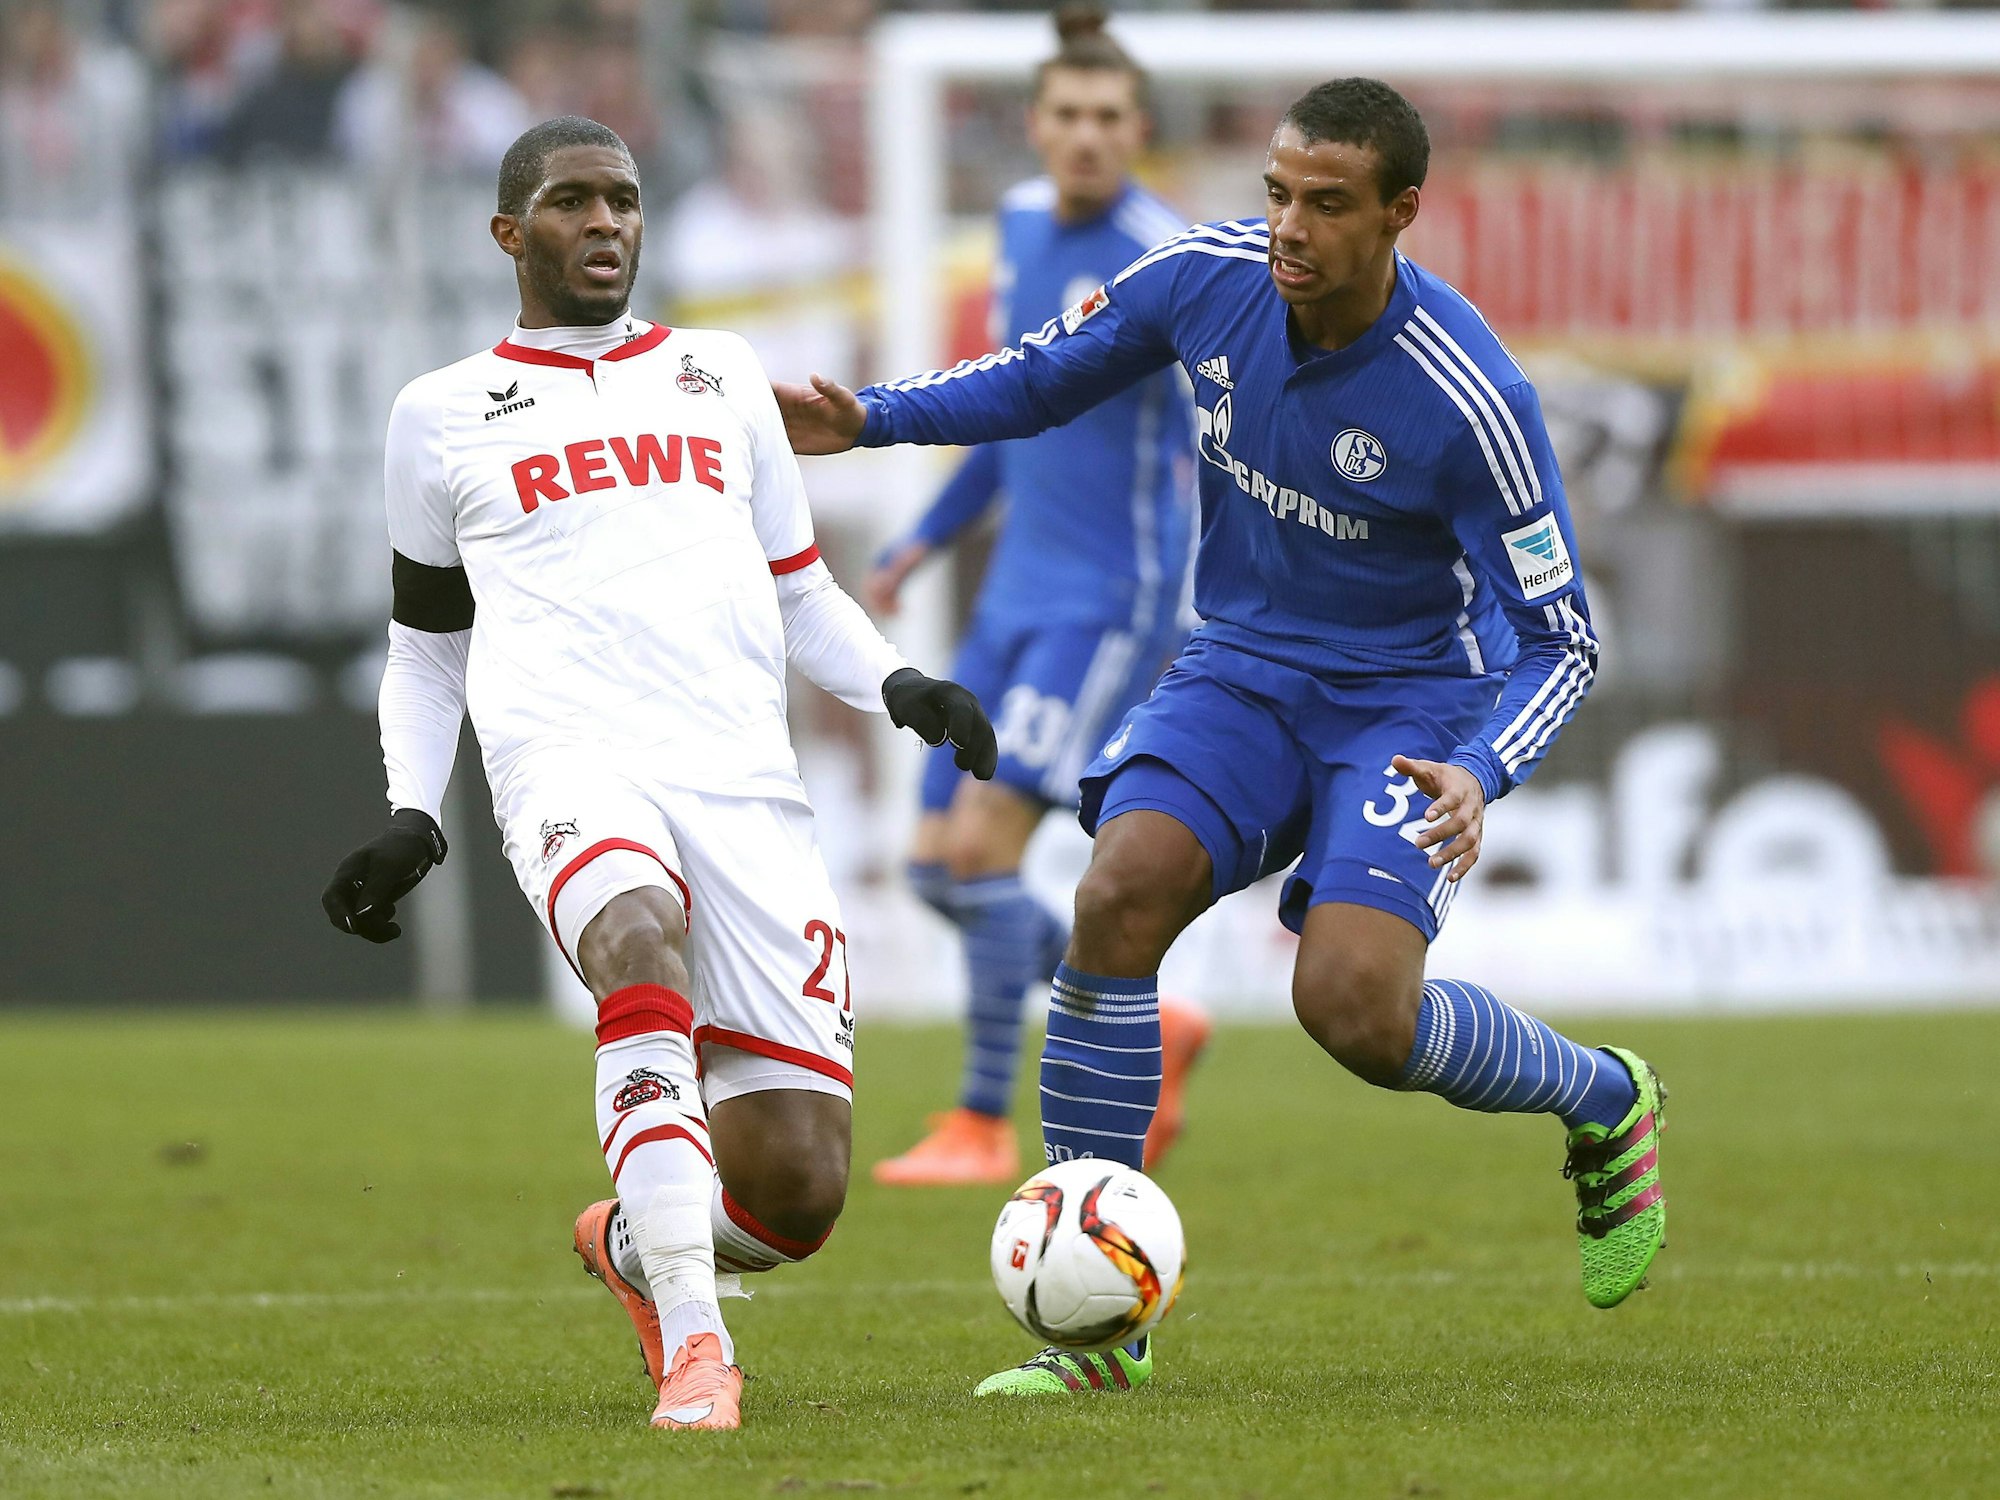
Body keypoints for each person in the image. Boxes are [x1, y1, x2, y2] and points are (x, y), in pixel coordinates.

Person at [777, 77, 1668, 1399]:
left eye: (1326, 203)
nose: (1289, 227)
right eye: (1277, 192)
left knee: (1354, 1009)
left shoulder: (1469, 397)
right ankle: (1098, 1336)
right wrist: (875, 418)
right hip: (1241, 672)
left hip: (1405, 706)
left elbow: (1563, 640)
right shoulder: (1204, 277)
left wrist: (1480, 771)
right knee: (1117, 897)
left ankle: (1604, 1098)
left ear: (1400, 213)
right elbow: (1040, 378)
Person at [321, 115, 997, 1432]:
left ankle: (638, 1246)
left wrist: (899, 683)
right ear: (511, 233)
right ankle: (699, 1347)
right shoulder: (440, 415)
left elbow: (800, 591)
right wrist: (413, 806)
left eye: (622, 201)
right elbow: (425, 647)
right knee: (639, 937)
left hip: (743, 778)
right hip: (566, 760)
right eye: (573, 203)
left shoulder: (720, 374)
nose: (606, 224)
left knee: (798, 1192)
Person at [866, 6, 1207, 1190]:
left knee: (978, 849)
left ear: (1138, 131)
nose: (1083, 137)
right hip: (1012, 590)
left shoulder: (1162, 259)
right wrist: (921, 536)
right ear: (1032, 124)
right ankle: (1149, 1029)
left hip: (1109, 599)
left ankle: (980, 1121)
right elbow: (1019, 404)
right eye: (1064, 115)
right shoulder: (1017, 226)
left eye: (1106, 118)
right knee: (924, 865)